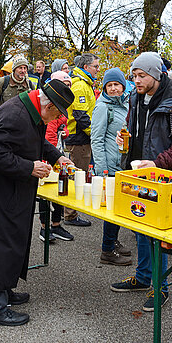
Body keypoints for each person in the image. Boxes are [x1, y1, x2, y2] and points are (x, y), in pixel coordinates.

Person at [0, 79, 75, 327]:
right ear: (50, 106)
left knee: (9, 240)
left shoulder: (31, 109)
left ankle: (2, 291)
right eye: (57, 115)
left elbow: (35, 142)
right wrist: (29, 167)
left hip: (6, 186)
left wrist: (57, 157)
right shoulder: (16, 114)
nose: (55, 121)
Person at [110, 52, 172, 311]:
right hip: (136, 173)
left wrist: (157, 163)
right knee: (138, 229)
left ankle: (161, 288)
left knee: (156, 235)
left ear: (156, 75)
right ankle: (143, 276)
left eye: (141, 75)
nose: (136, 80)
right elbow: (135, 131)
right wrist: (124, 141)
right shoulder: (135, 97)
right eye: (134, 75)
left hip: (163, 177)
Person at [91, 67, 134, 265]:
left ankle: (113, 241)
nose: (114, 88)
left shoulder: (127, 103)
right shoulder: (103, 107)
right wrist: (102, 170)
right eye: (110, 85)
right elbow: (97, 139)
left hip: (125, 164)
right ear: (105, 88)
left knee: (120, 206)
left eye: (117, 84)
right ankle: (107, 250)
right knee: (113, 207)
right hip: (110, 164)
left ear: (123, 85)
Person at [63, 52, 100, 227]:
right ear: (86, 67)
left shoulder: (84, 83)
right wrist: (94, 134)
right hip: (79, 139)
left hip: (81, 137)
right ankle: (70, 215)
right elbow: (81, 115)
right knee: (76, 176)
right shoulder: (80, 86)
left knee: (79, 174)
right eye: (96, 66)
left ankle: (72, 212)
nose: (98, 70)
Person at [38, 71, 74, 242]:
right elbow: (48, 134)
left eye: (68, 86)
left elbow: (62, 128)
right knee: (46, 190)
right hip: (49, 153)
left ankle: (57, 224)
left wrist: (64, 133)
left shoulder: (62, 106)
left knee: (62, 186)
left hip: (59, 151)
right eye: (63, 85)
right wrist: (52, 155)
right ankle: (44, 227)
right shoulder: (50, 106)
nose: (67, 89)